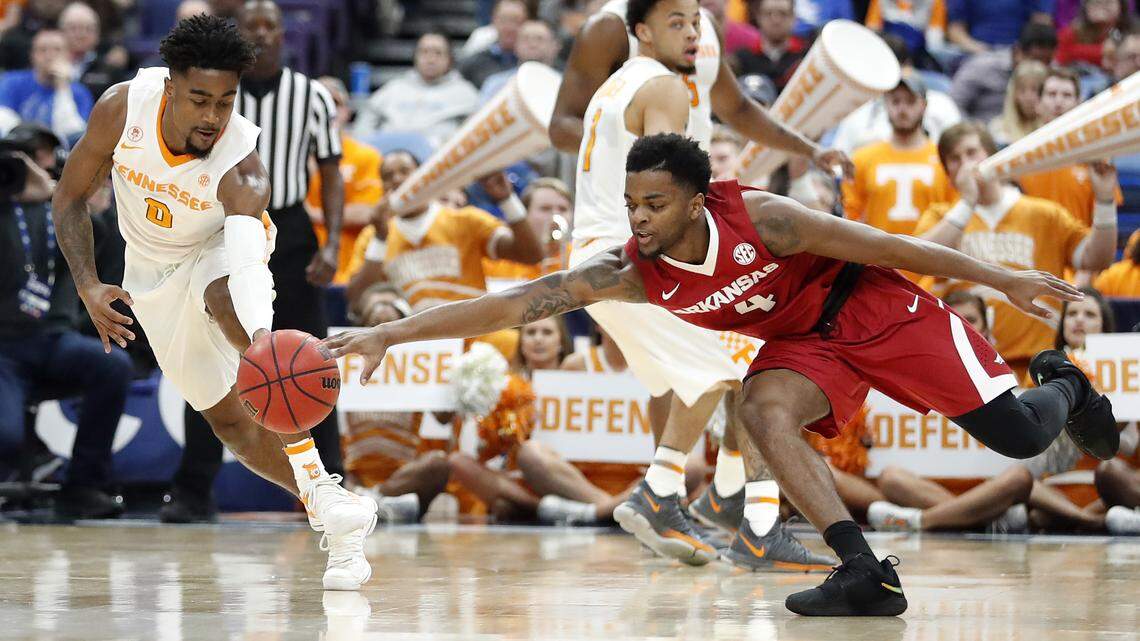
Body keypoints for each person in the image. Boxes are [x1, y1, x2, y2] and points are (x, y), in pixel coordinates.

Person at [324, 132, 1119, 616]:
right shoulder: (633, 269)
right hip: (806, 342)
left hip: (877, 306)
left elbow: (887, 246)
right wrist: (390, 331)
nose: (639, 217)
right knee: (760, 406)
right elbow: (518, 302)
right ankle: (862, 570)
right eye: (632, 202)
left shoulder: (765, 217)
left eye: (656, 203)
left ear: (699, 200)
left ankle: (1067, 384)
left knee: (1018, 436)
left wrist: (998, 279)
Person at [51, 14, 378, 591]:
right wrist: (88, 283)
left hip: (218, 251)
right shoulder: (121, 108)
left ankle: (315, 475)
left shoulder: (242, 166)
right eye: (199, 99)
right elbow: (70, 197)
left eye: (225, 102)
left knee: (225, 297)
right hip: (150, 272)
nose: (211, 116)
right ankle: (328, 502)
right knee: (230, 424)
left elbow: (247, 265)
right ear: (170, 86)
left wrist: (262, 346)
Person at [551, 0, 848, 572]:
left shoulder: (620, 84)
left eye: (694, 23)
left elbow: (735, 109)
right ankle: (694, 501)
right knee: (753, 361)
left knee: (738, 365)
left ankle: (730, 500)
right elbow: (669, 192)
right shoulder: (662, 87)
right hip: (636, 254)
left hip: (605, 252)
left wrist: (805, 150)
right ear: (640, 30)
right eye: (678, 25)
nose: (693, 33)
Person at [160, 0, 350, 524]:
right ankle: (194, 488)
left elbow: (331, 171)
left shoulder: (309, 94)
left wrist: (332, 243)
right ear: (239, 36)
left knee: (312, 359)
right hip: (224, 228)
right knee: (213, 358)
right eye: (253, 27)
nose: (263, 35)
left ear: (285, 34)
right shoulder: (219, 97)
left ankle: (331, 480)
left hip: (289, 230)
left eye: (272, 26)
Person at [870, 287, 1115, 534]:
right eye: (952, 320)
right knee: (891, 477)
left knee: (1019, 479)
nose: (962, 326)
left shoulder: (1008, 378)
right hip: (937, 489)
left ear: (986, 330)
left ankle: (925, 520)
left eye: (971, 320)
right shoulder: (913, 375)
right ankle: (977, 518)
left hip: (1000, 486)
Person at [0, 122, 131, 519]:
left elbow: (102, 247)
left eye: (43, 155)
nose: (36, 164)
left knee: (112, 366)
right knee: (6, 436)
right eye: (24, 156)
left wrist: (72, 199)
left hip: (52, 338)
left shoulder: (62, 206)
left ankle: (84, 485)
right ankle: (27, 456)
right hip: (3, 347)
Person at [916, 121, 1118, 378]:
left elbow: (1096, 258)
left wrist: (1104, 200)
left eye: (971, 153)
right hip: (967, 367)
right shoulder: (941, 217)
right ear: (947, 172)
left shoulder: (1044, 213)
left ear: (993, 156)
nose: (965, 164)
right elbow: (919, 257)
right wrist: (968, 201)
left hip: (1039, 363)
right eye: (954, 159)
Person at [841, 74, 956, 244]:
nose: (902, 109)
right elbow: (851, 217)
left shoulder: (945, 159)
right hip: (878, 265)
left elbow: (955, 216)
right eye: (895, 101)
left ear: (923, 105)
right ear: (885, 105)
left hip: (931, 265)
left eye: (910, 101)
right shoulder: (862, 159)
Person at [1018, 68, 1122, 231]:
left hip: (1079, 252)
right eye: (1052, 94)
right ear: (1037, 104)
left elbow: (1105, 221)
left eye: (1067, 95)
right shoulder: (1018, 157)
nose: (1058, 102)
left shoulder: (1096, 159)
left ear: (1078, 104)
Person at [305, 77, 383, 285]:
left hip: (351, 270)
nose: (327, 109)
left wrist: (313, 214)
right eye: (318, 102)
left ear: (347, 113)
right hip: (299, 266)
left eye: (335, 103)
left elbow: (369, 212)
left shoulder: (366, 156)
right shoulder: (289, 158)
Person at [830, 36, 962, 156]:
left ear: (908, 66)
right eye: (878, 70)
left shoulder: (941, 104)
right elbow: (839, 162)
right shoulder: (858, 110)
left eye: (910, 101)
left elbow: (958, 151)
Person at [354, 32, 480, 148]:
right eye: (424, 52)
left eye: (438, 53)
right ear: (415, 57)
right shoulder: (394, 88)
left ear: (450, 59)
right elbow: (365, 122)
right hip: (388, 161)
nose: (431, 59)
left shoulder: (465, 92)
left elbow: (475, 132)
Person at [0, 29, 94, 144]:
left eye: (57, 50)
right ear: (32, 55)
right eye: (42, 50)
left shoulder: (80, 92)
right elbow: (4, 121)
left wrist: (62, 88)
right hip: (20, 148)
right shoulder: (12, 82)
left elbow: (73, 134)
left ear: (68, 55)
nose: (49, 56)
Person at [950, 22, 1057, 122]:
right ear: (1017, 52)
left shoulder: (1054, 74)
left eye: (1047, 61)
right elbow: (953, 104)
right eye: (1035, 59)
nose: (1041, 66)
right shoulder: (983, 66)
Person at [479, 19, 562, 104]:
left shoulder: (564, 87)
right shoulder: (496, 84)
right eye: (525, 39)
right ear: (516, 45)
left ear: (555, 46)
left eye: (539, 39)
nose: (532, 44)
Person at [58, 1, 130, 99]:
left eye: (88, 29)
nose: (81, 35)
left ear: (98, 35)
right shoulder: (47, 68)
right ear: (61, 31)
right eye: (73, 28)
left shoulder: (111, 71)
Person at [734, 0, 806, 92]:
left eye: (783, 13)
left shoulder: (806, 56)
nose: (776, 20)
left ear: (793, 18)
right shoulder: (741, 59)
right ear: (758, 17)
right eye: (768, 13)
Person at [459, 0, 530, 88]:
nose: (510, 27)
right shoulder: (475, 61)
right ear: (494, 20)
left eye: (516, 21)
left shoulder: (533, 60)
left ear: (526, 23)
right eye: (504, 20)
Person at [947, 0, 1054, 53]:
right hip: (977, 53)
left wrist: (1023, 52)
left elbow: (1042, 22)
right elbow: (955, 30)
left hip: (1022, 53)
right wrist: (983, 51)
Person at [1056, 0, 1137, 67]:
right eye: (1096, 2)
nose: (1101, 6)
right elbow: (1061, 56)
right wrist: (1101, 51)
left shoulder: (1133, 31)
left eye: (1108, 2)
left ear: (1121, 6)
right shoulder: (1072, 31)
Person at [988, 60, 1047, 147]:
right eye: (1022, 90)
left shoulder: (1055, 126)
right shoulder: (997, 128)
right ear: (1013, 93)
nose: (1028, 97)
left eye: (1035, 89)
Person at [1093, 230, 1140, 296]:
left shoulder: (1112, 274)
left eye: (1129, 246)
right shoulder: (1112, 274)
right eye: (1127, 246)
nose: (1125, 251)